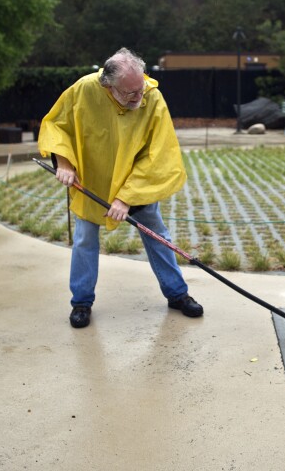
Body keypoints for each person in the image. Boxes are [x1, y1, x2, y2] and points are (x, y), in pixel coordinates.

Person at [38, 47, 203, 328]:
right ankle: (81, 302)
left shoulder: (151, 97)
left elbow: (158, 154)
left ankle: (177, 294)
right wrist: (64, 162)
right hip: (92, 182)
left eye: (141, 87)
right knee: (84, 240)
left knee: (158, 235)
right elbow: (57, 125)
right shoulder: (83, 90)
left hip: (136, 185)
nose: (139, 97)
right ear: (108, 86)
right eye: (131, 93)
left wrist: (126, 197)